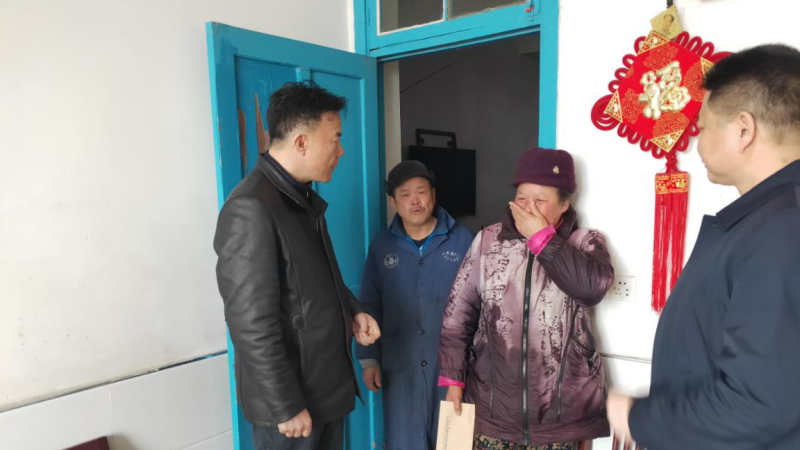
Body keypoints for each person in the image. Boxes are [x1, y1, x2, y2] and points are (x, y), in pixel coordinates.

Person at [607, 44, 800, 450]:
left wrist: (639, 418)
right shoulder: (765, 220)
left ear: (744, 130)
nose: (697, 142)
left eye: (702, 127)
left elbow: (761, 406)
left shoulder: (783, 229)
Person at [213, 81, 381, 450]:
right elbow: (249, 322)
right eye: (334, 140)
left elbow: (315, 283)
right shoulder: (252, 207)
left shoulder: (299, 201)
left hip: (322, 393)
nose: (341, 151)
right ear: (302, 142)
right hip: (293, 408)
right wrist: (285, 404)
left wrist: (353, 310)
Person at [438, 148, 615, 450]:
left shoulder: (585, 242)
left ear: (564, 205)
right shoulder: (488, 241)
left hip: (561, 418)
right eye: (521, 198)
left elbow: (592, 288)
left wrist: (542, 239)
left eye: (541, 200)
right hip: (493, 410)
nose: (529, 208)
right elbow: (458, 314)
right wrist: (453, 379)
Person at [356, 161, 474, 450]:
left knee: (453, 442)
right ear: (393, 201)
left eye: (421, 192)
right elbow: (370, 303)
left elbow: (480, 304)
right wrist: (369, 359)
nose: (415, 201)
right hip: (400, 364)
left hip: (452, 368)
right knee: (404, 441)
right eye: (405, 194)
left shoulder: (463, 240)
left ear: (433, 195)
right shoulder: (382, 247)